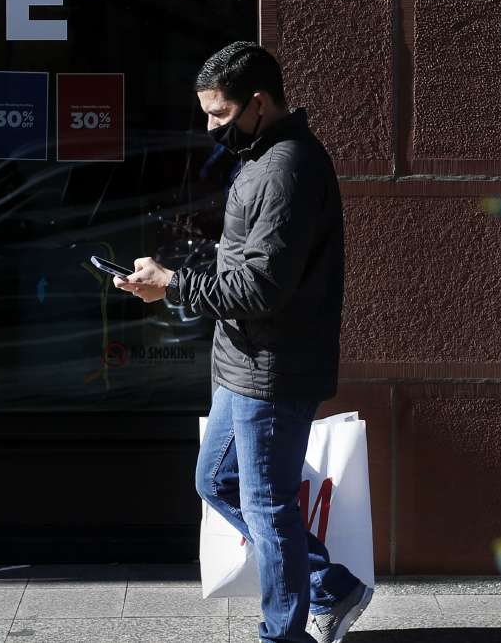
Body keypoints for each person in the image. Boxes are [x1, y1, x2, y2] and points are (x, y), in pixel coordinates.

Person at [114, 42, 373, 643]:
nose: (210, 127)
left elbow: (261, 288)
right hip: (242, 362)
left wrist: (174, 283)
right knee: (216, 481)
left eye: (220, 114)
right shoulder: (263, 157)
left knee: (268, 505)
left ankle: (281, 634)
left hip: (272, 367)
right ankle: (328, 584)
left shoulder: (288, 167)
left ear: (258, 104)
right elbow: (248, 261)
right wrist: (175, 272)